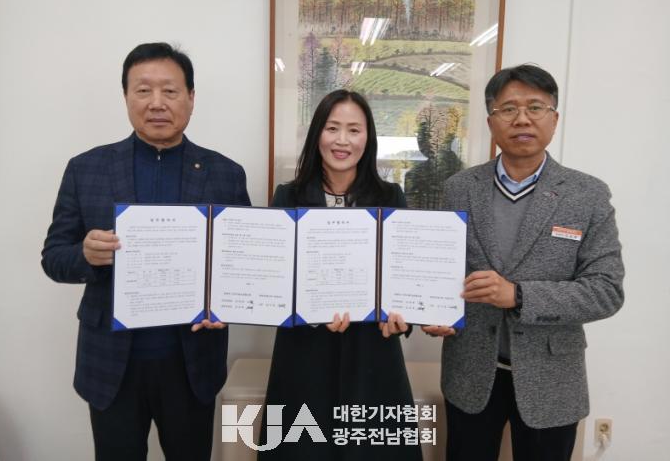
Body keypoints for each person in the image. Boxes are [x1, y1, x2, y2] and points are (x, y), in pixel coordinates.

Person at [41, 42, 250, 460]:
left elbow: (241, 265)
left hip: (191, 362)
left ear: (191, 98)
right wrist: (85, 256)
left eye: (170, 91)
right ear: (126, 97)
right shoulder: (86, 168)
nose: (157, 103)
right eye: (143, 90)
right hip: (111, 364)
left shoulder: (225, 173)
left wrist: (228, 302)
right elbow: (54, 257)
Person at [423, 64, 624, 461]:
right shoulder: (459, 189)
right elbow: (437, 269)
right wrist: (431, 310)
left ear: (554, 119)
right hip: (470, 372)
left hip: (552, 378)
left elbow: (606, 291)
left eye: (535, 107)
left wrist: (518, 296)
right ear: (490, 121)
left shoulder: (587, 195)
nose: (522, 119)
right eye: (508, 109)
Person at [259, 90, 422, 461]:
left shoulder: (390, 197)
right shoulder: (288, 197)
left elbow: (402, 276)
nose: (342, 140)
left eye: (354, 130)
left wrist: (403, 316)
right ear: (317, 133)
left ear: (368, 138)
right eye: (332, 128)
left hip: (372, 358)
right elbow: (276, 281)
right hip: (304, 358)